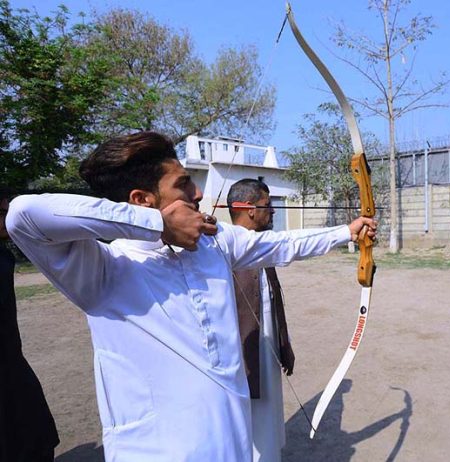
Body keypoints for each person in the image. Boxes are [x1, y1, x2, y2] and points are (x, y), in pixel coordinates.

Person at [6, 132, 377, 462]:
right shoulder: (102, 268)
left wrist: (348, 231)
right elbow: (24, 214)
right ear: (142, 199)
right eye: (184, 184)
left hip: (232, 444)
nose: (198, 194)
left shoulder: (213, 244)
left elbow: (281, 244)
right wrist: (159, 226)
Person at [226, 179, 291, 462]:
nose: (273, 211)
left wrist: (284, 344)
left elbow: (274, 301)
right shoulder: (223, 250)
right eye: (267, 205)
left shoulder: (263, 247)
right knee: (243, 428)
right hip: (240, 361)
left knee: (269, 420)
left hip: (269, 353)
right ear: (249, 209)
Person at [0, 191, 60, 462]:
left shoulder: (4, 254)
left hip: (11, 361)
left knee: (35, 436)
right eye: (2, 213)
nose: (8, 219)